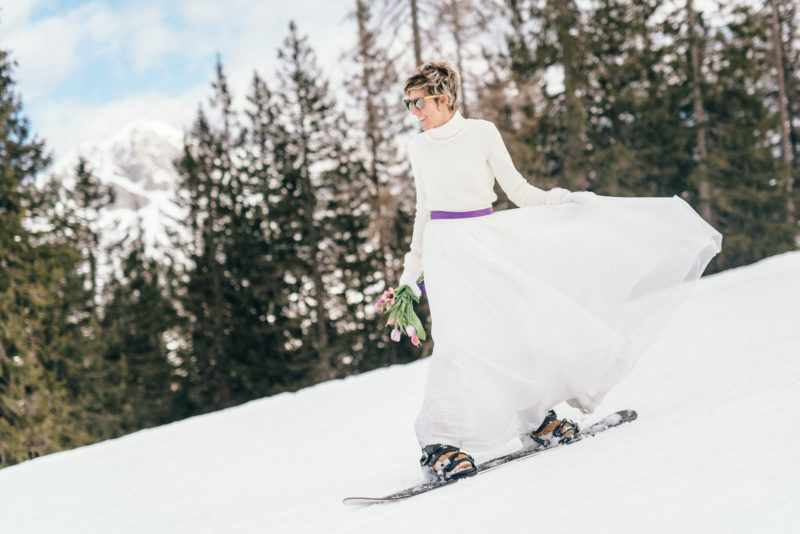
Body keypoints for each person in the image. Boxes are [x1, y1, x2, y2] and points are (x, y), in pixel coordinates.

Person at [396, 61, 721, 482]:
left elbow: (518, 191)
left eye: (418, 102)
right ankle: (437, 442)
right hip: (445, 251)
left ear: (443, 97)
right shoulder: (419, 148)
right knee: (459, 345)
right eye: (408, 104)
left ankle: (534, 421)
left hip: (486, 242)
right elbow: (424, 210)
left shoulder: (482, 133)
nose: (413, 112)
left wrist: (568, 201)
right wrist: (409, 276)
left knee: (515, 333)